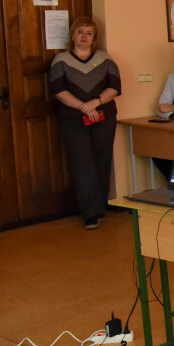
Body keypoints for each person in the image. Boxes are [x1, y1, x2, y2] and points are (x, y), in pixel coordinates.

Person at [48, 17, 121, 229]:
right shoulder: (60, 60)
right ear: (72, 35)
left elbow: (115, 87)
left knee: (102, 160)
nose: (84, 37)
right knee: (82, 164)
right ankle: (89, 213)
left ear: (94, 38)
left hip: (103, 118)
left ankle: (100, 208)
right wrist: (83, 107)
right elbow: (59, 91)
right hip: (74, 121)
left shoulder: (105, 59)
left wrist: (96, 102)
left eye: (89, 33)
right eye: (80, 32)